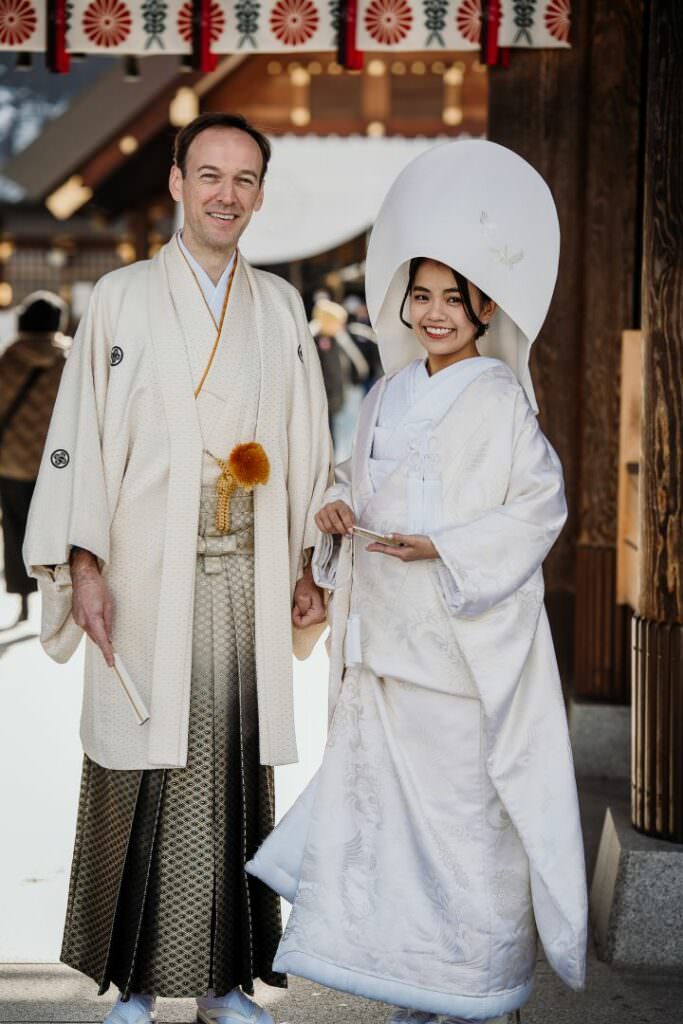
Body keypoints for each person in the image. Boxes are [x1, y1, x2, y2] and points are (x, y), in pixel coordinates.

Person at [247, 140, 588, 1024]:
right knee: (390, 839)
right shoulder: (386, 395)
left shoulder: (501, 400)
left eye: (453, 299)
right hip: (382, 656)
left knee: (462, 836)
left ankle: (475, 990)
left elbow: (537, 509)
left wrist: (442, 548)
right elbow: (345, 484)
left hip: (455, 661)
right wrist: (328, 517)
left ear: (483, 308)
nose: (434, 314)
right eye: (422, 297)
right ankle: (412, 989)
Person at [23, 113, 331, 1024]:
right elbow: (81, 435)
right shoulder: (120, 297)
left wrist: (310, 559)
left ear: (261, 193)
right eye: (209, 175)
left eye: (244, 179)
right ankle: (142, 982)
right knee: (138, 766)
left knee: (231, 768)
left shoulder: (276, 306)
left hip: (243, 568)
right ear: (175, 183)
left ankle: (227, 982)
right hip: (142, 567)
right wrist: (83, 563)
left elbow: (308, 444)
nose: (225, 194)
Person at [0, 291, 68, 629]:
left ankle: (24, 601)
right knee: (55, 531)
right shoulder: (69, 361)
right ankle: (56, 599)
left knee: (15, 531)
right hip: (55, 467)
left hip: (11, 462)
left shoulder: (8, 359)